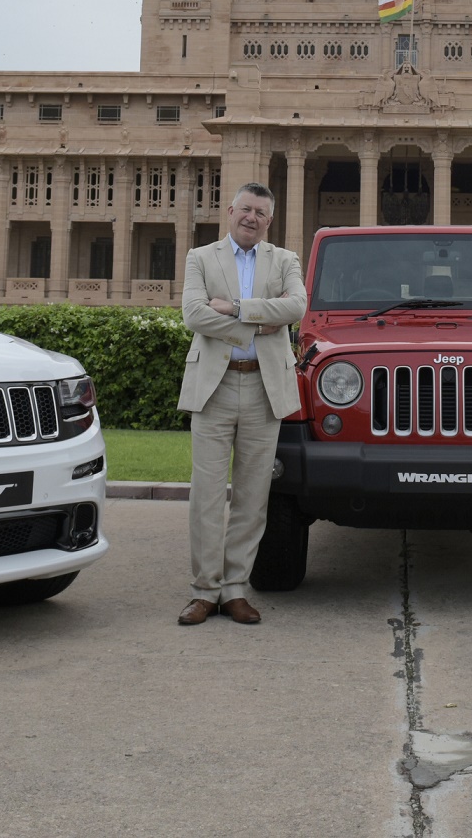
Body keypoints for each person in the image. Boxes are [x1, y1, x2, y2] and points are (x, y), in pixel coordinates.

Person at [176, 182, 307, 625]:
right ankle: (204, 591)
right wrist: (255, 324)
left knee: (253, 497)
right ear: (230, 211)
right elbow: (194, 314)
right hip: (213, 388)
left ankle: (235, 589)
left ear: (270, 221)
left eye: (261, 213)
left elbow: (296, 307)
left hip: (263, 389)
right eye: (245, 209)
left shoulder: (284, 260)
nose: (252, 218)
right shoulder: (201, 257)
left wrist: (234, 307)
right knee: (206, 496)